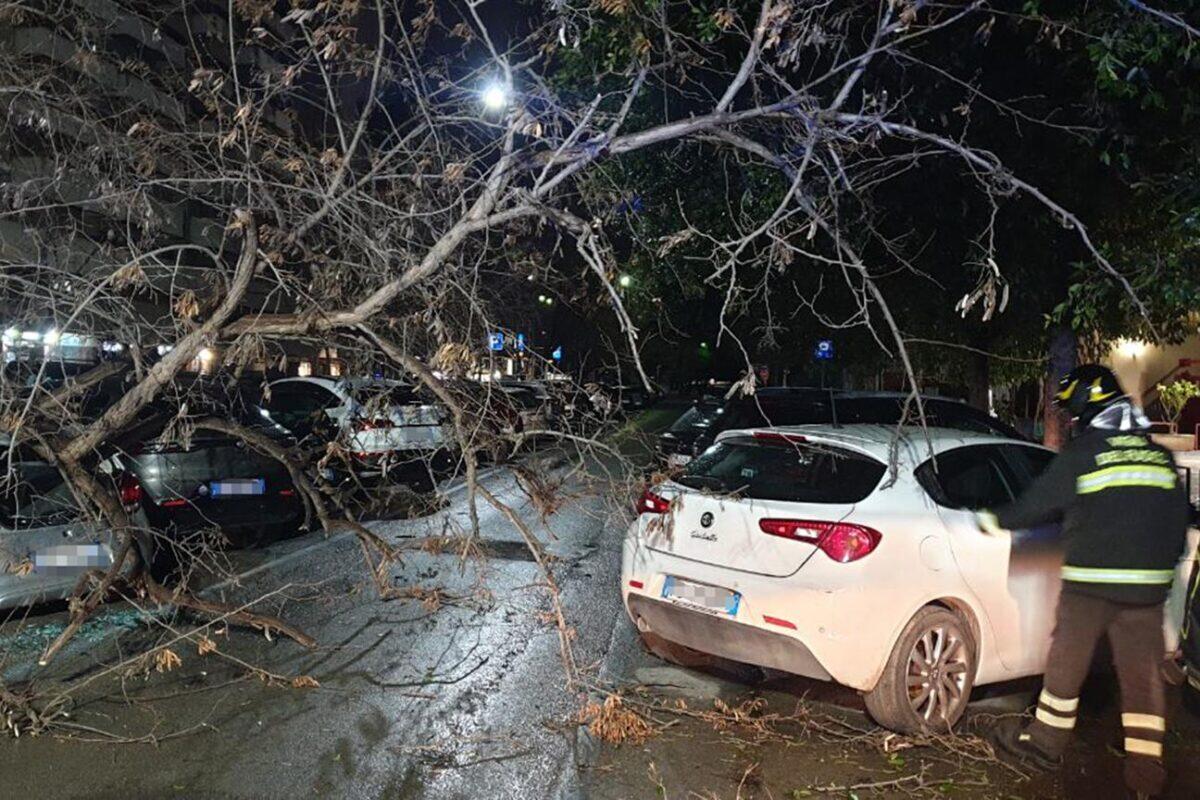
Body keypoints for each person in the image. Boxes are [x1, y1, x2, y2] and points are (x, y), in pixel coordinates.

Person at [976, 364, 1190, 799]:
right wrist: (1162, 574)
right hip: (1146, 592)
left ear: (1087, 409)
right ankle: (1146, 773)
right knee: (1142, 676)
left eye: (1073, 413)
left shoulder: (1085, 454)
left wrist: (993, 519)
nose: (1072, 421)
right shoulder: (1161, 458)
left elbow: (1038, 503)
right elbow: (1177, 526)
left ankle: (1044, 745)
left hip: (1090, 587)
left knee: (1066, 664)